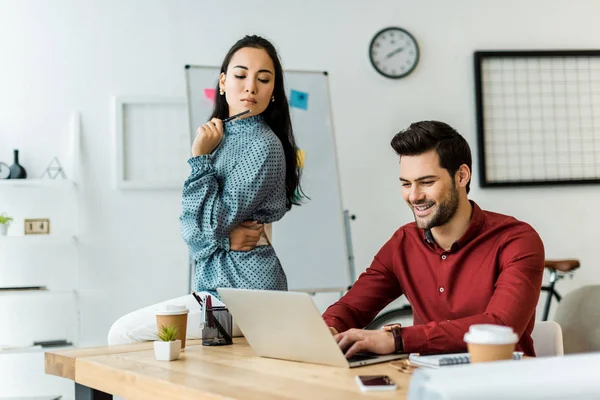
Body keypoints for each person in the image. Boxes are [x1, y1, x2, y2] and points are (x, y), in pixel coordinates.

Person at [107, 35, 303, 345]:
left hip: (246, 298)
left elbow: (203, 227)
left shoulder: (263, 145)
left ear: (273, 92)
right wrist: (226, 238)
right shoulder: (220, 137)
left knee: (123, 334)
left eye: (263, 79)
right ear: (223, 82)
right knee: (188, 369)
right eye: (240, 75)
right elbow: (197, 231)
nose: (250, 86)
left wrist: (199, 159)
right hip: (217, 292)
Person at [323, 120, 545, 358]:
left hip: (501, 384)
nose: (414, 196)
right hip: (428, 385)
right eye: (406, 184)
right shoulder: (403, 242)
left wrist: (397, 340)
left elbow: (501, 327)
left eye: (427, 182)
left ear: (461, 176)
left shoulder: (517, 240)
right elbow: (351, 307)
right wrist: (328, 329)